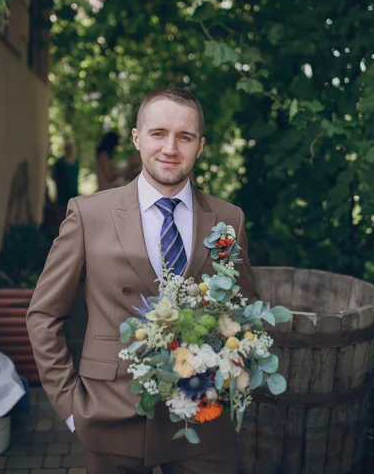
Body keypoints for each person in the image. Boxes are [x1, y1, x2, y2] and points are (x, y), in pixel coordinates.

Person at [26, 87, 259, 474]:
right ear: (137, 139)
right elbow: (43, 315)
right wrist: (70, 408)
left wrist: (232, 385)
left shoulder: (227, 219)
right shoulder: (89, 214)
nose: (170, 147)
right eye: (158, 133)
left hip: (202, 419)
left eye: (184, 137)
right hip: (110, 412)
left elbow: (246, 311)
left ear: (200, 146)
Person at [53, 141, 79, 207]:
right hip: (62, 196)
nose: (70, 150)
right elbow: (54, 176)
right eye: (68, 148)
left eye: (71, 148)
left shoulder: (76, 163)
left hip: (73, 194)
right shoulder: (60, 163)